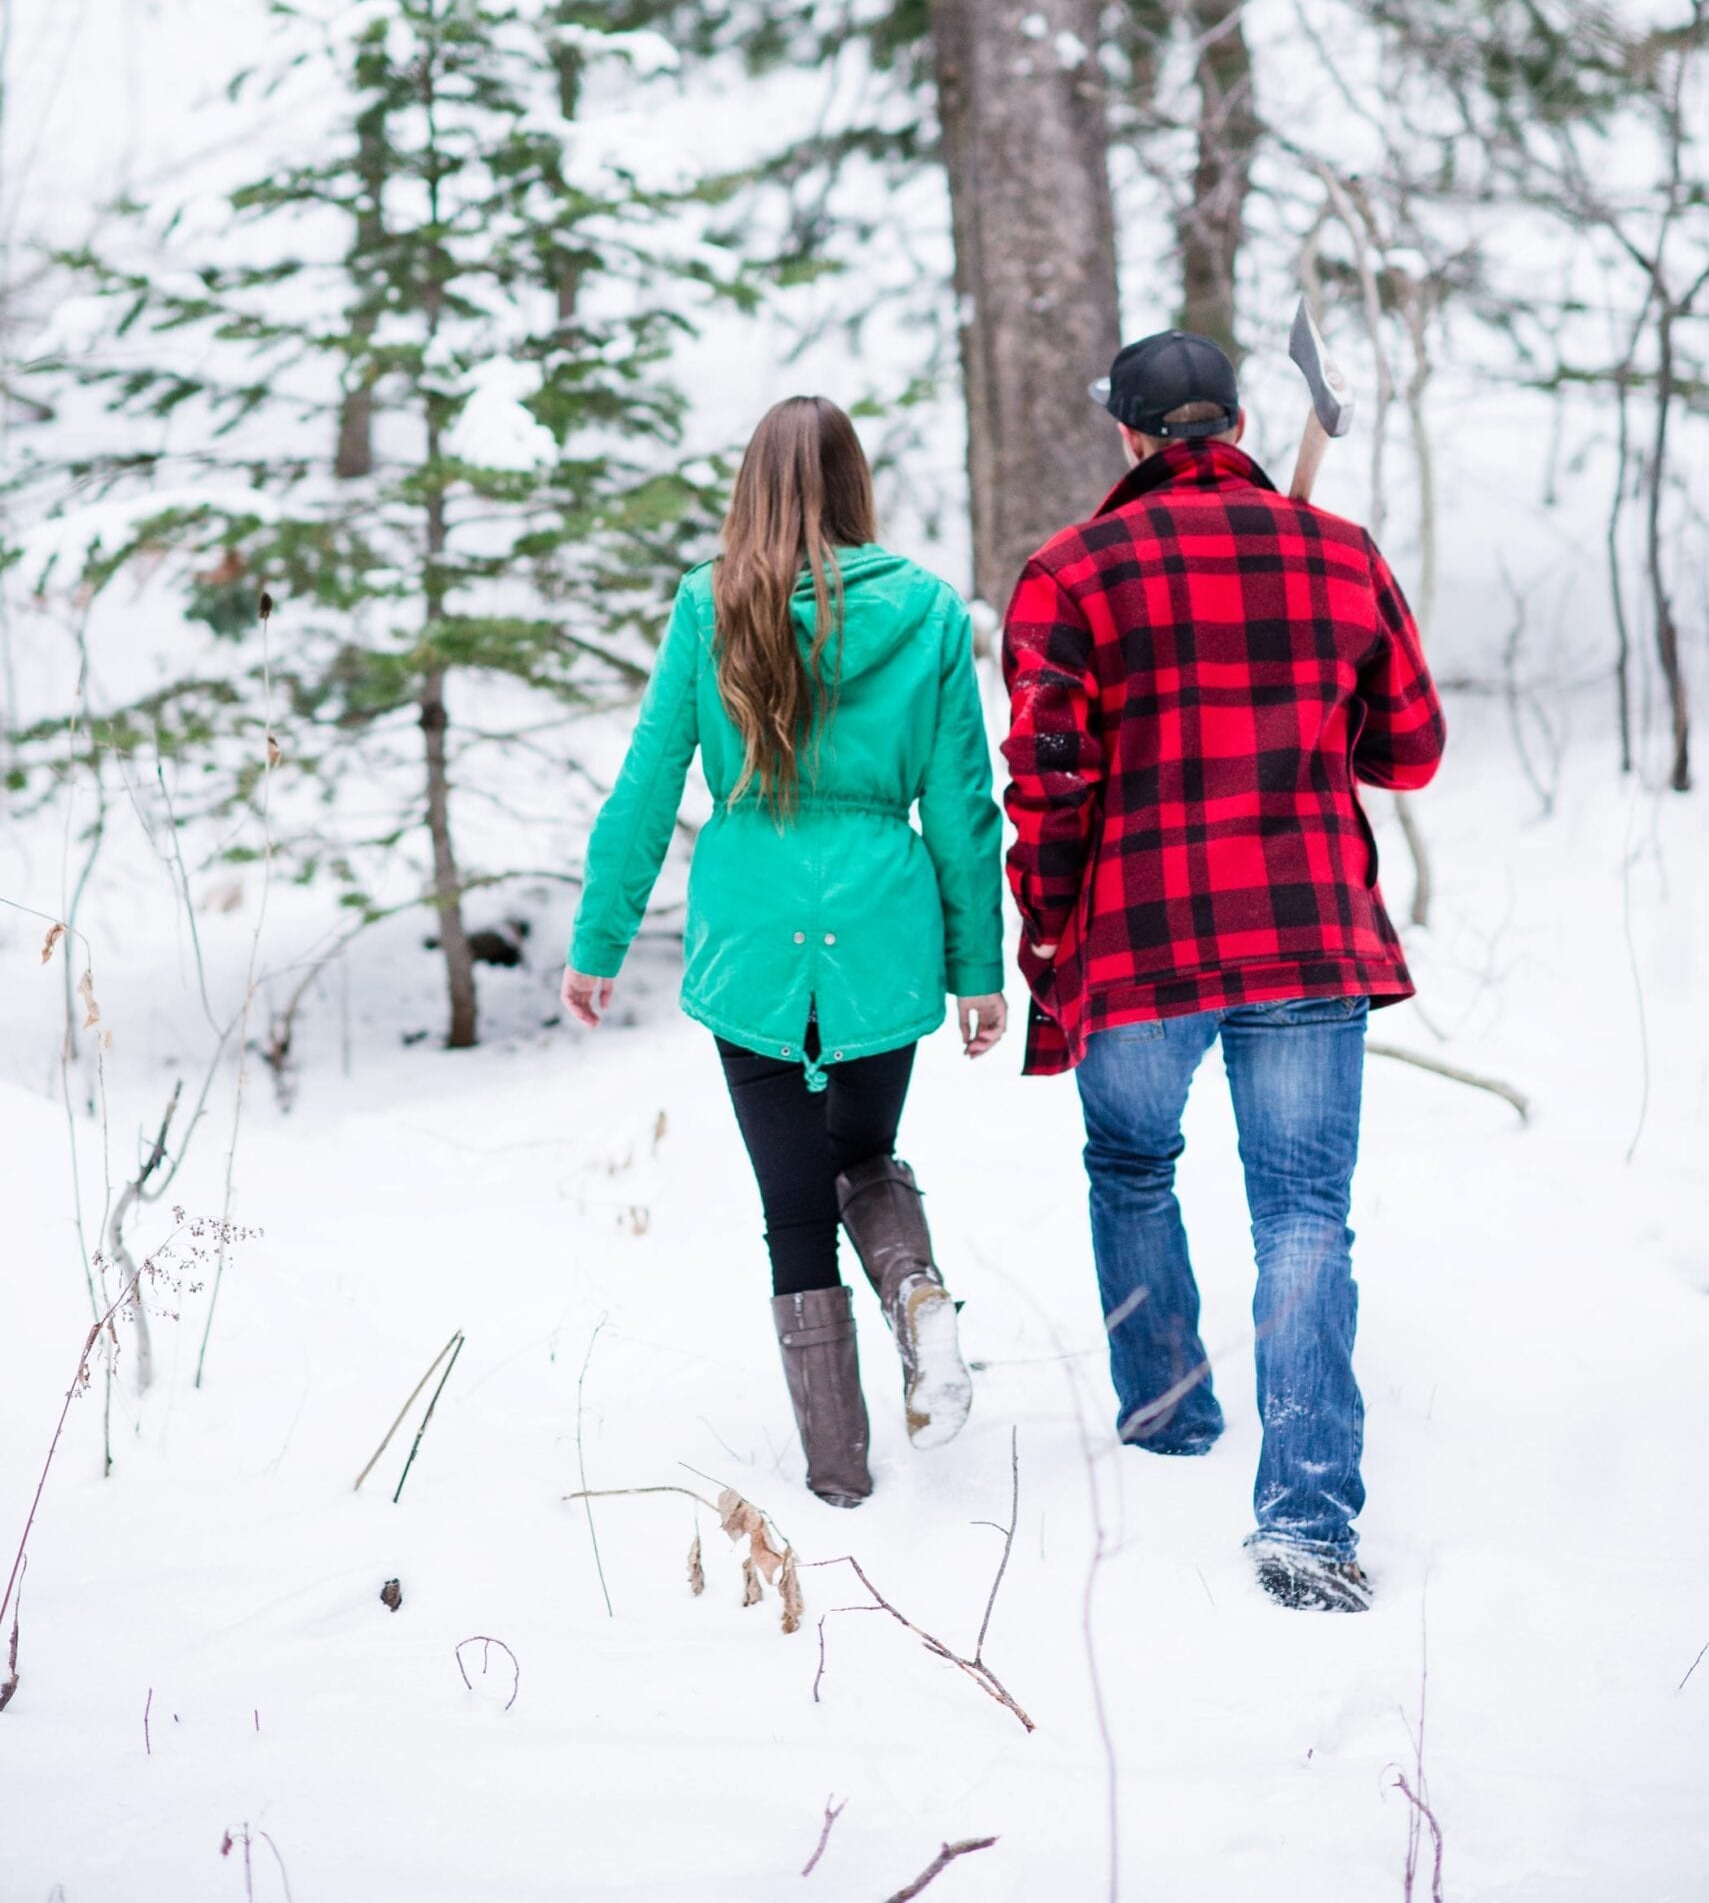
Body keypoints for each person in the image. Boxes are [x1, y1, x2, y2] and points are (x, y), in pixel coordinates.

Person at [1000, 330, 1445, 1611]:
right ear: (1241, 420)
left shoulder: (1070, 573)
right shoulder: (1339, 555)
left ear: (1128, 437)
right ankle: (1306, 1522)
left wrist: (1049, 929)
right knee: (1302, 1213)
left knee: (1132, 1162)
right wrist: (1317, 698)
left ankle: (1168, 1414)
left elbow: (1046, 780)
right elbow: (1407, 751)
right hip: (1305, 929)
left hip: (1138, 943)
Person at [563, 396, 1007, 1508]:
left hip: (753, 939)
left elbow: (647, 781)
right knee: (863, 1151)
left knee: (793, 1206)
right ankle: (913, 1291)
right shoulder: (930, 613)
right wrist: (976, 970)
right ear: (856, 482)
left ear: (750, 485)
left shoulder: (709, 605)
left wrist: (597, 939)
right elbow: (961, 804)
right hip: (883, 931)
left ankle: (838, 1475)